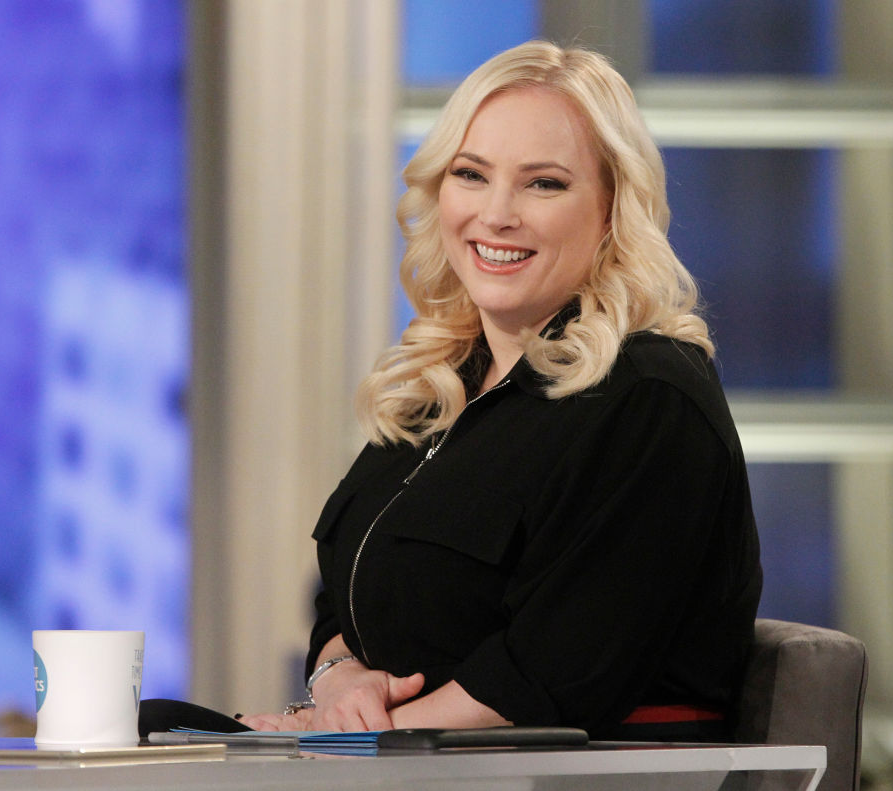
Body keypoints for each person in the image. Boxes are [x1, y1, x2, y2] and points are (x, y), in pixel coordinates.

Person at [240, 39, 762, 741]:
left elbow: (549, 674)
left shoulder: (650, 397)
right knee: (152, 729)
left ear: (613, 208)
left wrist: (346, 742)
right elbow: (340, 600)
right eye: (471, 174)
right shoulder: (444, 382)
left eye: (543, 184)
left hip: (565, 776)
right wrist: (339, 678)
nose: (496, 213)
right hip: (414, 764)